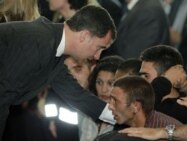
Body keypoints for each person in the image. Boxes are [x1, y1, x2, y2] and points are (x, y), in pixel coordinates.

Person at [0, 5, 116, 139]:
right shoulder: (40, 42)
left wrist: (122, 115)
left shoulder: (53, 48)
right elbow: (3, 93)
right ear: (84, 35)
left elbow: (76, 94)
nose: (97, 56)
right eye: (99, 48)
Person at [95, 76, 181, 141]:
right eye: (110, 99)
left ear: (135, 106)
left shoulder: (163, 133)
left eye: (115, 101)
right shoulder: (123, 126)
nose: (110, 106)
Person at [139, 45, 187, 124]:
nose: (140, 81)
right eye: (140, 76)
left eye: (146, 76)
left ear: (171, 75)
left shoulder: (182, 112)